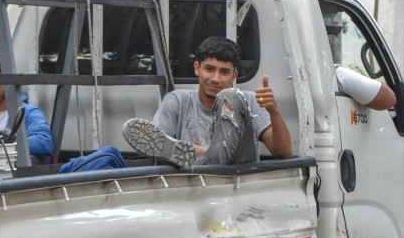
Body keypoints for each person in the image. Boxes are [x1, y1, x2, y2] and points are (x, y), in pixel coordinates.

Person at [121, 36, 292, 168]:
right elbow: (149, 145)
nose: (215, 78)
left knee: (230, 96)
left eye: (224, 72)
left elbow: (283, 154)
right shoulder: (178, 101)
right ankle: (214, 158)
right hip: (196, 184)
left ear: (234, 75)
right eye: (209, 69)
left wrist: (274, 110)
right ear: (197, 68)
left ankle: (209, 157)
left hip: (238, 177)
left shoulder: (248, 100)